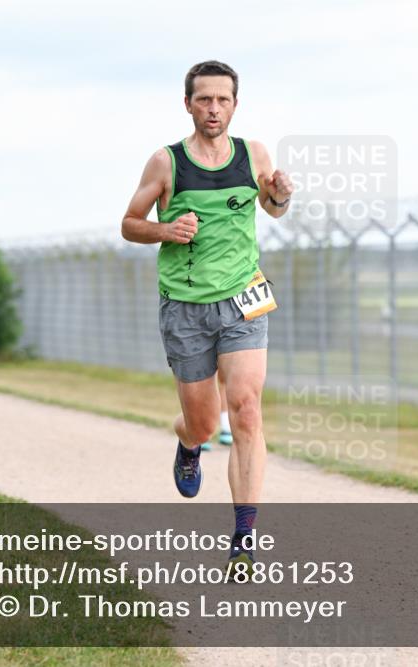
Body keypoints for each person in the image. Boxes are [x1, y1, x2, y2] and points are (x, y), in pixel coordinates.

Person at [120, 60, 293, 573]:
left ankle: (244, 537)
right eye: (204, 100)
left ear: (235, 104)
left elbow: (273, 206)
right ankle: (188, 441)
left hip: (244, 297)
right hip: (186, 307)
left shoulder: (254, 153)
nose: (213, 108)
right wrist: (164, 231)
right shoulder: (165, 163)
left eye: (222, 100)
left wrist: (281, 195)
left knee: (244, 407)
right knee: (202, 421)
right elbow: (130, 223)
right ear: (188, 104)